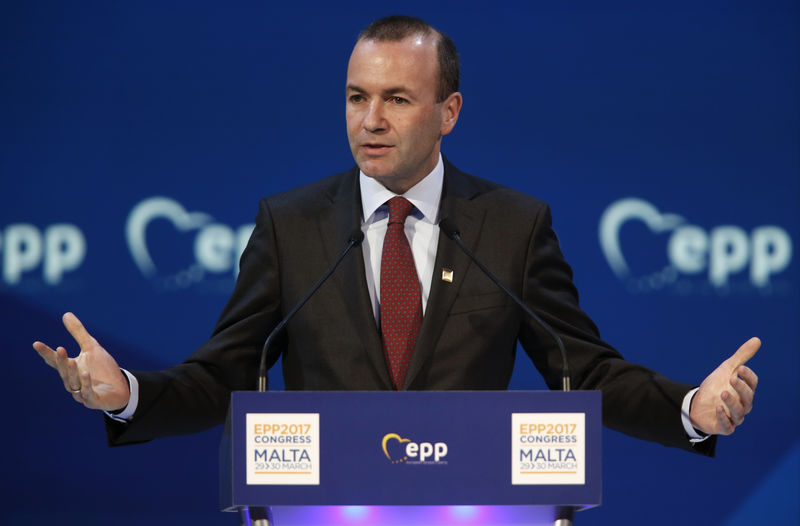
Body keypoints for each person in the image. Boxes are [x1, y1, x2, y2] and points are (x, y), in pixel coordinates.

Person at [33, 15, 758, 454]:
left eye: (396, 99)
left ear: (449, 112)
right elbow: (225, 375)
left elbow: (587, 372)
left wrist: (691, 409)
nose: (369, 120)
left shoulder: (512, 226)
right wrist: (125, 393)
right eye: (356, 97)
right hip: (324, 511)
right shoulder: (291, 225)